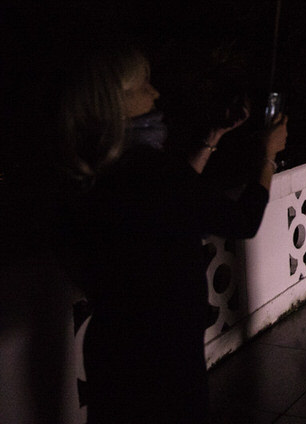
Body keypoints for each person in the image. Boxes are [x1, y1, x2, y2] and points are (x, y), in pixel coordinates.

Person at [59, 46, 287, 424]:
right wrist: (267, 156)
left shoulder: (100, 167)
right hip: (163, 351)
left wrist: (212, 137)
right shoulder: (149, 170)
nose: (155, 93)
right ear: (117, 100)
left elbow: (170, 200)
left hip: (112, 345)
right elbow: (241, 220)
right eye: (143, 85)